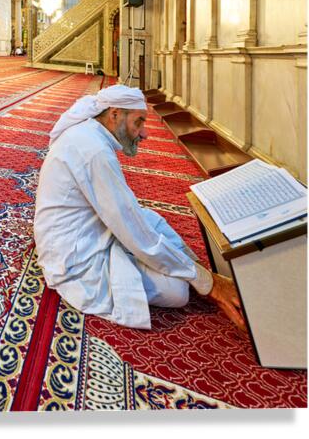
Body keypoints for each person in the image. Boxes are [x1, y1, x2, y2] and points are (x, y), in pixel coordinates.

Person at [33, 84, 246, 332]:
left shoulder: (90, 136)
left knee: (152, 220)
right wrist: (207, 284)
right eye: (139, 122)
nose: (144, 134)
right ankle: (194, 274)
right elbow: (133, 231)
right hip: (75, 255)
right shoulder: (94, 150)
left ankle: (189, 268)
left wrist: (194, 272)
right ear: (114, 115)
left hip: (85, 230)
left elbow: (131, 218)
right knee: (177, 292)